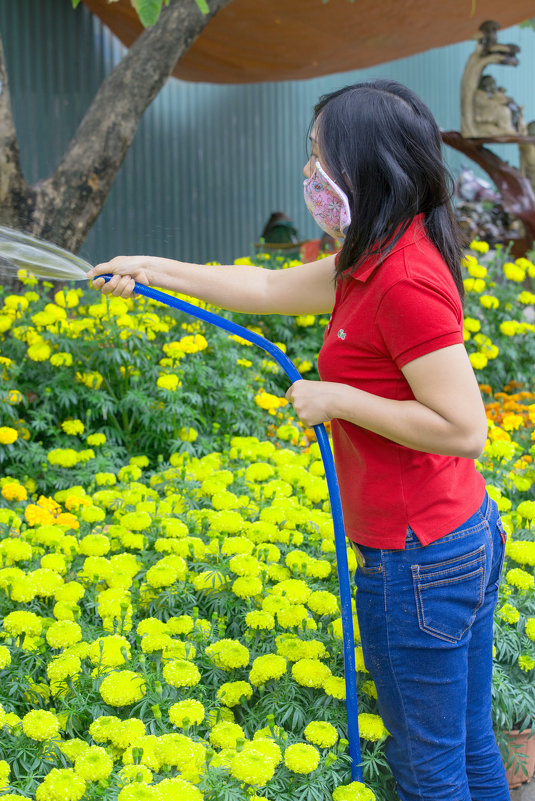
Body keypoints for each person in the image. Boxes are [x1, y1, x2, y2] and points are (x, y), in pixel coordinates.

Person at [88, 79, 509, 801]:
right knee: (465, 747)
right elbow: (263, 289)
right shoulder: (374, 252)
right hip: (448, 539)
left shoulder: (401, 279)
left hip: (417, 562)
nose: (309, 175)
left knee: (428, 771)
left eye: (320, 159)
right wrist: (149, 267)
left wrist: (339, 397)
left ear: (367, 167)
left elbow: (464, 429)